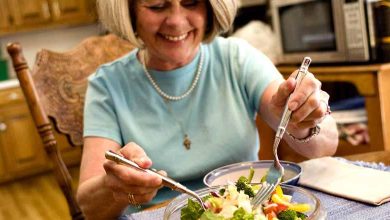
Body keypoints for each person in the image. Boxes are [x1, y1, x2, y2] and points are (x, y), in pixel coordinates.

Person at [76, 0, 339, 219]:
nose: (176, 22)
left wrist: (303, 119)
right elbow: (89, 207)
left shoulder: (237, 59)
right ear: (128, 11)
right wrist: (117, 187)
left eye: (191, 2)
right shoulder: (107, 85)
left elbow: (325, 146)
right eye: (157, 6)